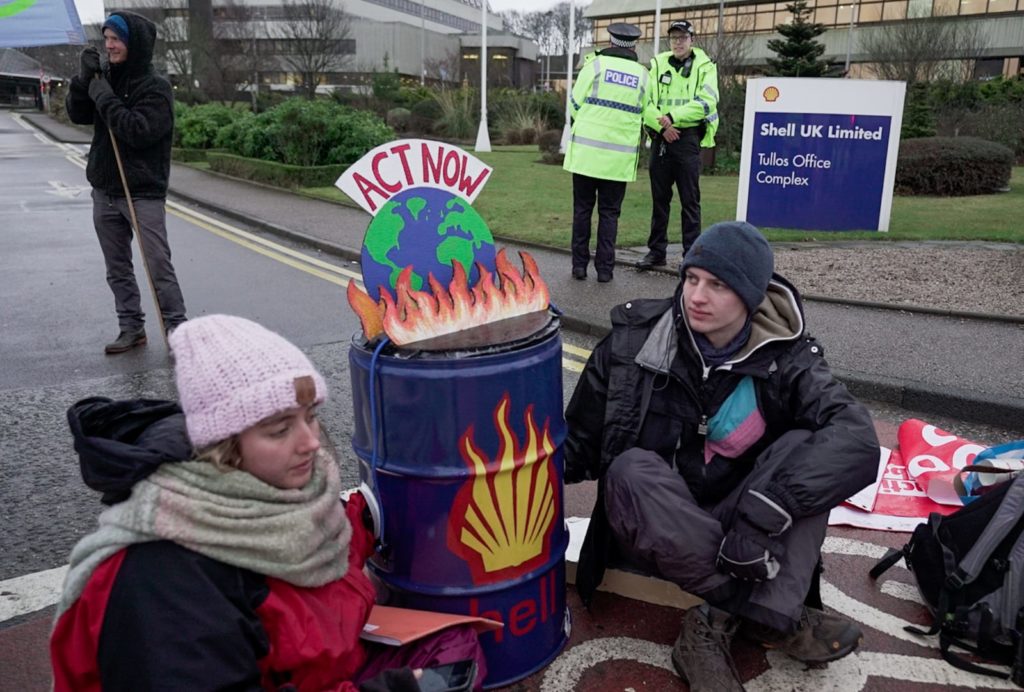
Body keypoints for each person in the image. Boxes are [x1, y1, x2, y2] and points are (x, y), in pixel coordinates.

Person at [51, 315, 487, 691]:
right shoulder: (163, 581)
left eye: (311, 416)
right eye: (280, 429)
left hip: (315, 669)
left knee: (456, 650)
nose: (311, 443)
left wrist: (363, 522)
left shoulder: (270, 491)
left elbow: (310, 540)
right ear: (224, 447)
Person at [564, 222, 880, 690]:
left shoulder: (788, 357)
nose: (697, 295)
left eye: (718, 285)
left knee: (805, 448)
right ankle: (766, 614)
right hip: (659, 523)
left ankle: (710, 625)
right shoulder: (633, 343)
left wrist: (762, 516)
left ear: (751, 297)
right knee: (629, 469)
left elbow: (856, 439)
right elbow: (579, 445)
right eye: (691, 278)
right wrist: (499, 469)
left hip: (747, 531)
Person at [66, 12, 187, 354]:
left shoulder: (157, 89)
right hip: (104, 190)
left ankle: (178, 331)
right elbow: (78, 114)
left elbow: (136, 131)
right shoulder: (106, 78)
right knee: (116, 268)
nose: (109, 46)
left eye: (115, 39)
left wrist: (103, 94)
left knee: (158, 265)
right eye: (106, 39)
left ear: (134, 43)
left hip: (142, 192)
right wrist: (82, 79)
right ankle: (131, 328)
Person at [563, 23, 649, 283]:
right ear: (633, 45)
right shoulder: (644, 75)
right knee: (610, 214)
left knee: (582, 211)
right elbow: (646, 111)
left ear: (611, 41)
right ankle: (605, 270)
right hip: (618, 160)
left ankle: (579, 267)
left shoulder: (595, 66)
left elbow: (575, 104)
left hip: (586, 157)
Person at [637, 20, 720, 270]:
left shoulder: (705, 66)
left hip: (688, 138)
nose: (678, 42)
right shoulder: (658, 63)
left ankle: (691, 257)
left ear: (691, 39)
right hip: (663, 136)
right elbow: (645, 101)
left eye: (683, 37)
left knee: (690, 201)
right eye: (674, 38)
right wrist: (664, 126)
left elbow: (707, 102)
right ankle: (656, 252)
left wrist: (674, 118)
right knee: (659, 200)